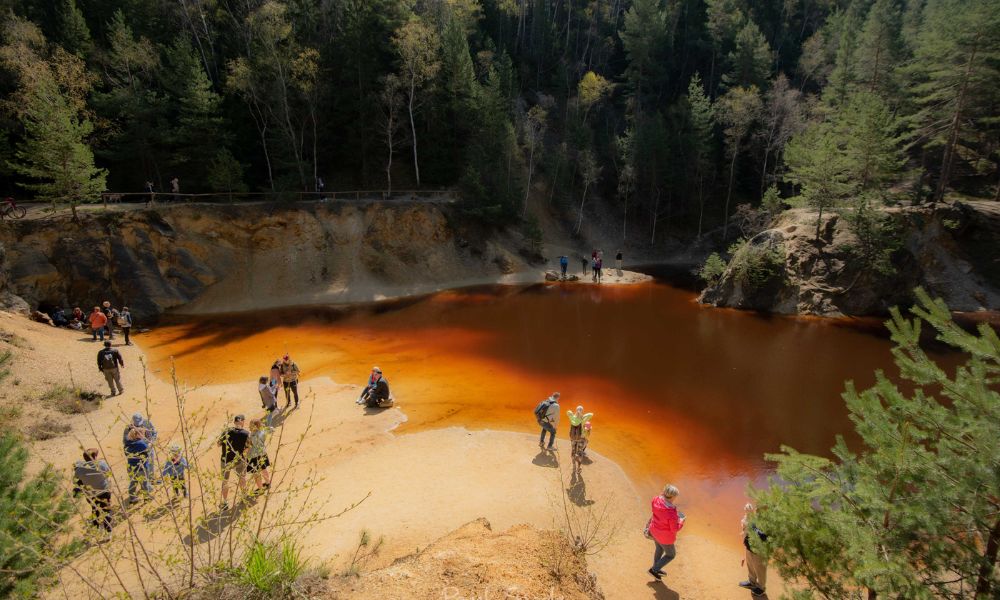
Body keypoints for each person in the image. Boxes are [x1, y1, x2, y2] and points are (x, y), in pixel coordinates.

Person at [647, 484, 685, 580]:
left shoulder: (655, 500)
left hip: (654, 531)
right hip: (665, 537)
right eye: (676, 496)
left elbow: (655, 512)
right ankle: (654, 569)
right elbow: (675, 529)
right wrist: (681, 520)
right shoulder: (671, 512)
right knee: (671, 555)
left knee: (659, 549)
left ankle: (656, 571)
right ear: (672, 496)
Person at [73, 448, 112, 537]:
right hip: (103, 491)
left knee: (95, 511)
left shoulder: (80, 469)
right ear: (94, 456)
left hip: (90, 495)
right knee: (106, 511)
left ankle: (98, 530)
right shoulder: (101, 464)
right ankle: (108, 533)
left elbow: (75, 481)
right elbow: (108, 474)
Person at [218, 414, 250, 510]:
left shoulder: (226, 431)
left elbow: (218, 444)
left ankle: (225, 502)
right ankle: (244, 497)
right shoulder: (246, 433)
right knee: (242, 478)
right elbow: (248, 448)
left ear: (234, 422)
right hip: (238, 459)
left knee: (225, 481)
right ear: (242, 421)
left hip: (226, 460)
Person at [739, 503, 768, 597]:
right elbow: (746, 532)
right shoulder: (753, 518)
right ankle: (751, 582)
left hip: (759, 552)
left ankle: (761, 588)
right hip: (749, 548)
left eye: (760, 509)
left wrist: (755, 529)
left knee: (760, 569)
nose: (757, 510)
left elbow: (765, 537)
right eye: (757, 508)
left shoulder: (768, 522)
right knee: (750, 566)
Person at [124, 428, 153, 504]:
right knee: (144, 483)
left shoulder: (127, 443)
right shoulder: (140, 443)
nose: (143, 435)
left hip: (131, 467)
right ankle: (146, 498)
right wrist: (150, 443)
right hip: (141, 467)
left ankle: (132, 498)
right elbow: (148, 450)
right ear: (137, 435)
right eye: (142, 434)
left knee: (133, 482)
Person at [247, 419, 272, 492]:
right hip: (262, 453)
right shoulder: (262, 431)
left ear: (255, 426)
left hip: (254, 456)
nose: (249, 426)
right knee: (264, 469)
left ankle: (260, 489)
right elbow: (271, 429)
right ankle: (268, 483)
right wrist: (263, 427)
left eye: (251, 424)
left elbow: (253, 444)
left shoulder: (253, 435)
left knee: (256, 473)